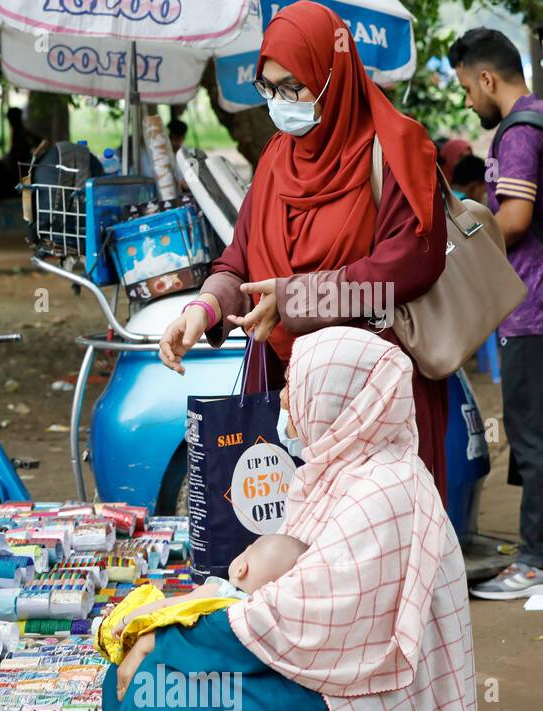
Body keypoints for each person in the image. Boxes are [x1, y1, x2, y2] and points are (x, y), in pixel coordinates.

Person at [81, 327, 477, 711]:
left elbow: (296, 617)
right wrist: (176, 628)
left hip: (353, 710)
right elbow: (292, 605)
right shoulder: (336, 472)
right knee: (147, 686)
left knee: (166, 710)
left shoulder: (383, 491)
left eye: (297, 382)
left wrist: (175, 629)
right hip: (324, 675)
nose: (286, 398)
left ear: (341, 394)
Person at [158, 1, 450, 501]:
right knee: (294, 552)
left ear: (332, 74)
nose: (279, 101)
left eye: (293, 86)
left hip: (373, 398)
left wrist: (296, 301)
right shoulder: (276, 158)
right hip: (288, 393)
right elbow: (240, 258)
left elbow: (409, 268)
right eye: (268, 87)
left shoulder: (395, 147)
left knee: (372, 550)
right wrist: (203, 309)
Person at [450, 29, 543, 600]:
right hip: (530, 309)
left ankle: (534, 563)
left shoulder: (519, 133)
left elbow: (513, 219)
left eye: (466, 88)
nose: (467, 101)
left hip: (531, 310)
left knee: (531, 440)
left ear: (488, 78)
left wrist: (460, 232)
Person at [106, 534, 308, 701]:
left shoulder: (219, 591)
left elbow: (168, 605)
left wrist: (128, 619)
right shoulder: (262, 618)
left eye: (246, 550)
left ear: (241, 568)